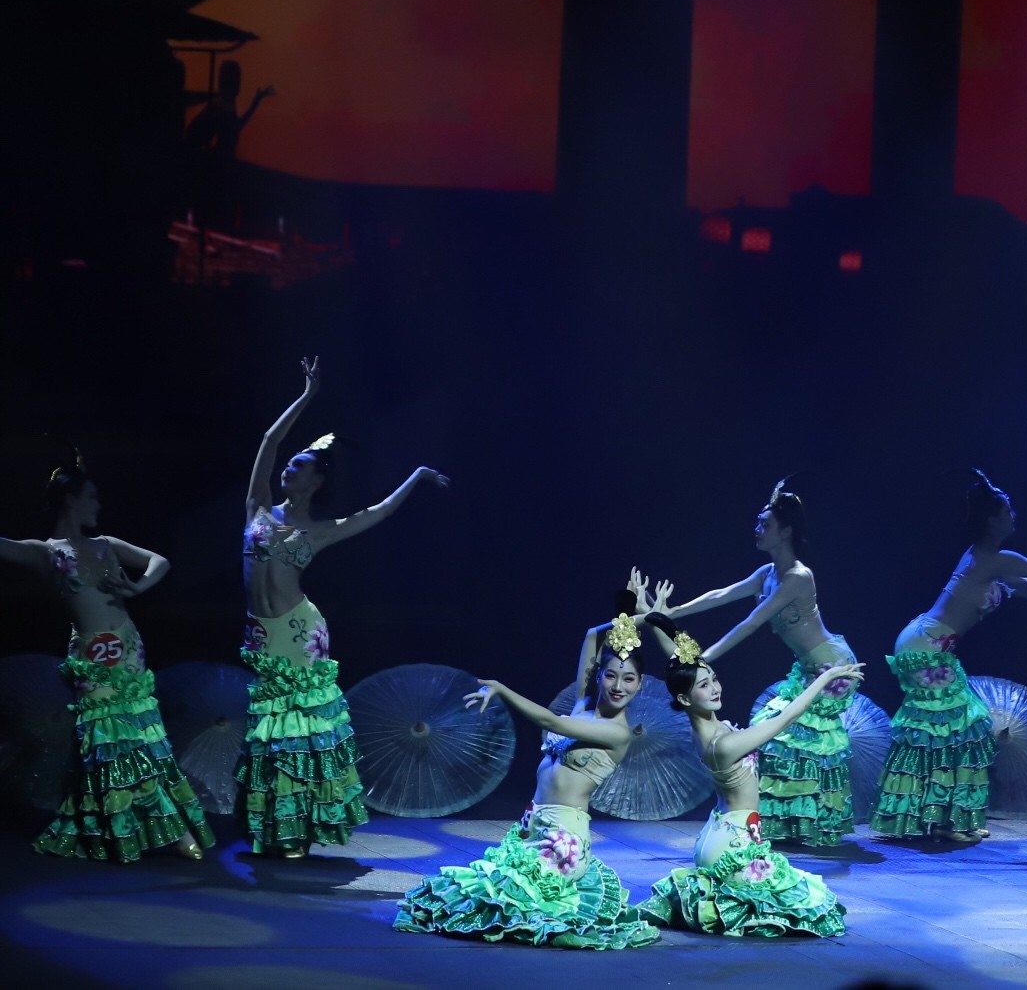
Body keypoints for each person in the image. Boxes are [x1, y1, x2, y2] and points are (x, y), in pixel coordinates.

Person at [236, 357, 448, 857]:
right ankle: (271, 824)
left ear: (316, 482)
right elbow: (268, 441)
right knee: (268, 729)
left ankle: (298, 829)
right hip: (260, 631)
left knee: (299, 729)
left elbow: (379, 512)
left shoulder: (320, 530)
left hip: (299, 630)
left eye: (299, 466)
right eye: (290, 463)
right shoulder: (258, 507)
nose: (288, 468)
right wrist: (307, 395)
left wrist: (416, 476)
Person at [869, 468, 1027, 843]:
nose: (1013, 515)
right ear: (992, 519)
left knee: (954, 731)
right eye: (1008, 511)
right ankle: (947, 820)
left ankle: (941, 817)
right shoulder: (991, 558)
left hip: (930, 644)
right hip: (925, 646)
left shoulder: (994, 564)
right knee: (960, 729)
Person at [393, 603, 662, 949]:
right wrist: (634, 619)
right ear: (598, 675)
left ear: (640, 685)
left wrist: (502, 689)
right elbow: (591, 636)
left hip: (563, 837)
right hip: (531, 825)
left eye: (629, 679)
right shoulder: (583, 706)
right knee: (481, 891)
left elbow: (551, 722)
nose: (618, 686)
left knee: (506, 901)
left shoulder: (618, 733)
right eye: (611, 675)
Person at [0, 450, 214, 861]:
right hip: (90, 654)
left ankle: (171, 825)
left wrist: (138, 587)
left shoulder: (106, 544)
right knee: (107, 740)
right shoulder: (45, 551)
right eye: (92, 497)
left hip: (128, 647)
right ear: (71, 499)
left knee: (140, 734)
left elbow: (159, 561)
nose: (98, 505)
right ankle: (116, 826)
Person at [649, 479, 862, 846]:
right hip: (806, 666)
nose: (758, 529)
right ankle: (793, 822)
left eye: (766, 524)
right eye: (759, 523)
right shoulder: (767, 574)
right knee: (778, 736)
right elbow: (721, 595)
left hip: (832, 667)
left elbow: (751, 623)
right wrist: (671, 612)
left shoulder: (798, 577)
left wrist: (701, 661)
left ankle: (813, 823)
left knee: (794, 737)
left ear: (786, 532)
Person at [636, 614, 858, 937]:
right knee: (807, 902)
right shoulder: (722, 745)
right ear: (684, 698)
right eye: (704, 686)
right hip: (732, 845)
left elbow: (680, 665)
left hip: (722, 831)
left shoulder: (704, 725)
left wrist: (655, 621)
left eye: (713, 679)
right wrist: (825, 678)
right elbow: (786, 718)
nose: (715, 688)